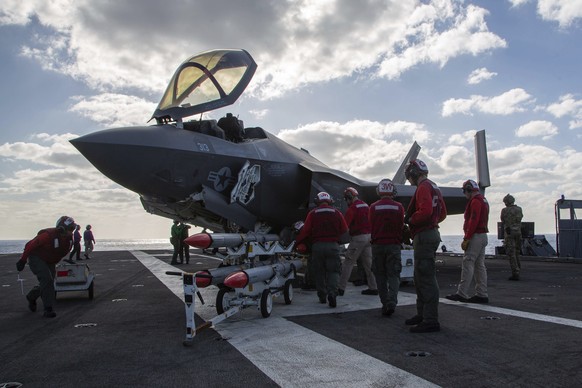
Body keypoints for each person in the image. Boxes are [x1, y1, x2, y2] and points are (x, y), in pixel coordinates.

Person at [404, 159, 447, 333]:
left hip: (424, 234)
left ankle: (430, 319)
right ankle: (422, 314)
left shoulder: (423, 188)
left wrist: (411, 220)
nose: (409, 181)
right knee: (420, 276)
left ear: (413, 174)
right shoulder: (433, 186)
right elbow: (442, 212)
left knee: (426, 277)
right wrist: (432, 222)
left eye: (409, 177)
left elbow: (426, 211)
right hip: (431, 233)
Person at [16, 216, 76, 318]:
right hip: (37, 258)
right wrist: (22, 260)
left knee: (48, 282)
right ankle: (48, 309)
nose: (72, 232)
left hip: (50, 260)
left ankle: (32, 296)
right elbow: (30, 245)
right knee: (46, 279)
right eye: (70, 229)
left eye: (73, 229)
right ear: (62, 228)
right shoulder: (48, 235)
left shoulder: (69, 239)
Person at [296, 192, 348, 308]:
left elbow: (306, 231)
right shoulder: (337, 213)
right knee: (333, 271)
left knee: (319, 272)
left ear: (317, 202)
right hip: (333, 246)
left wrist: (298, 241)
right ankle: (332, 294)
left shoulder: (312, 213)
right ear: (330, 201)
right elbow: (344, 229)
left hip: (317, 246)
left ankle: (322, 296)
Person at [446, 180, 490, 304]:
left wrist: (467, 237)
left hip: (475, 236)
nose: (464, 193)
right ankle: (482, 294)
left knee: (468, 263)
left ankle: (462, 293)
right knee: (479, 265)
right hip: (483, 236)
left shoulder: (475, 201)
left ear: (469, 190)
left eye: (465, 191)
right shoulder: (483, 200)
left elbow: (473, 220)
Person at [369, 179, 405, 316]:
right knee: (394, 275)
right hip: (394, 245)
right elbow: (401, 225)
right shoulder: (399, 207)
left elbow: (371, 224)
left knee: (380, 276)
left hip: (378, 245)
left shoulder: (373, 207)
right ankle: (392, 301)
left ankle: (385, 303)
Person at [338, 187, 378, 296]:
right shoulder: (365, 205)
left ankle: (340, 288)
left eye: (346, 199)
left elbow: (344, 226)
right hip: (369, 238)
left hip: (358, 239)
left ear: (349, 197)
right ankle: (373, 287)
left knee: (348, 263)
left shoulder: (352, 208)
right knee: (369, 265)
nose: (346, 202)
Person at [501, 194, 523, 280]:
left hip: (509, 233)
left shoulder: (504, 210)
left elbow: (503, 220)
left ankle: (515, 272)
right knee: (517, 251)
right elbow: (520, 218)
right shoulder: (519, 209)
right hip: (518, 232)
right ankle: (519, 268)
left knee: (511, 253)